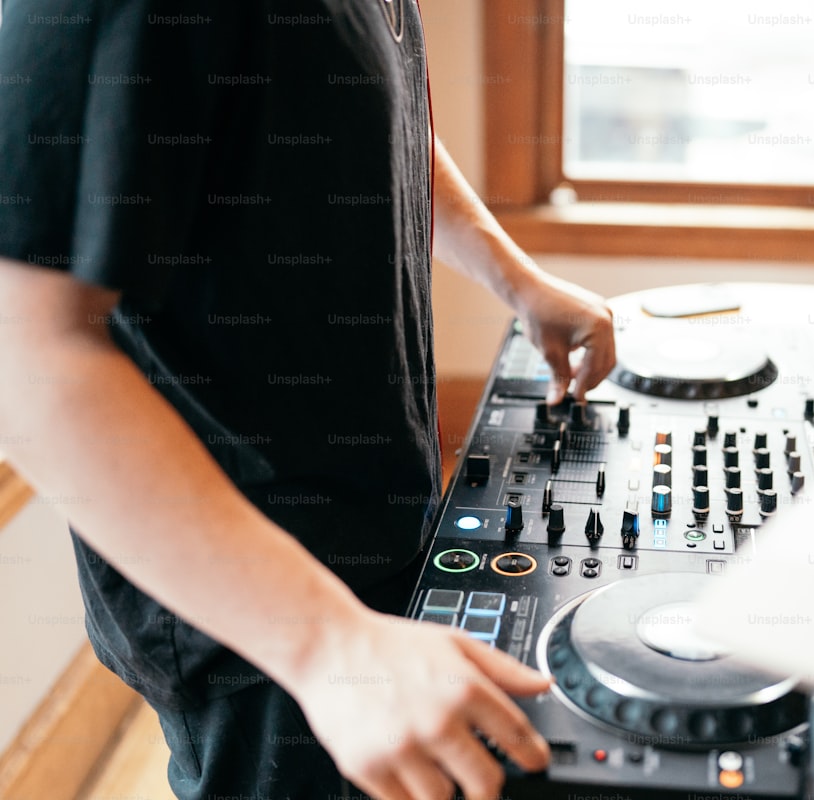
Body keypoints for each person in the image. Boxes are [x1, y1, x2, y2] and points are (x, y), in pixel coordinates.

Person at [0, 1, 616, 799]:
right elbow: (27, 350)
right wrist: (326, 642)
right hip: (253, 614)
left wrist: (516, 278)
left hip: (375, 548)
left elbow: (372, 120)